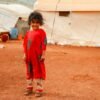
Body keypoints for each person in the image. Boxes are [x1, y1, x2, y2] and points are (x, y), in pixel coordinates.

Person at [23, 11, 47, 97]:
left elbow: (44, 43)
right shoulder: (28, 33)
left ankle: (39, 89)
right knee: (29, 71)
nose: (35, 24)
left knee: (38, 71)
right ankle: (29, 87)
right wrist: (25, 54)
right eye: (33, 22)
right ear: (30, 22)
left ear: (40, 23)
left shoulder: (41, 32)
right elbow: (25, 45)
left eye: (37, 22)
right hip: (29, 57)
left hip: (37, 57)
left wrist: (43, 54)